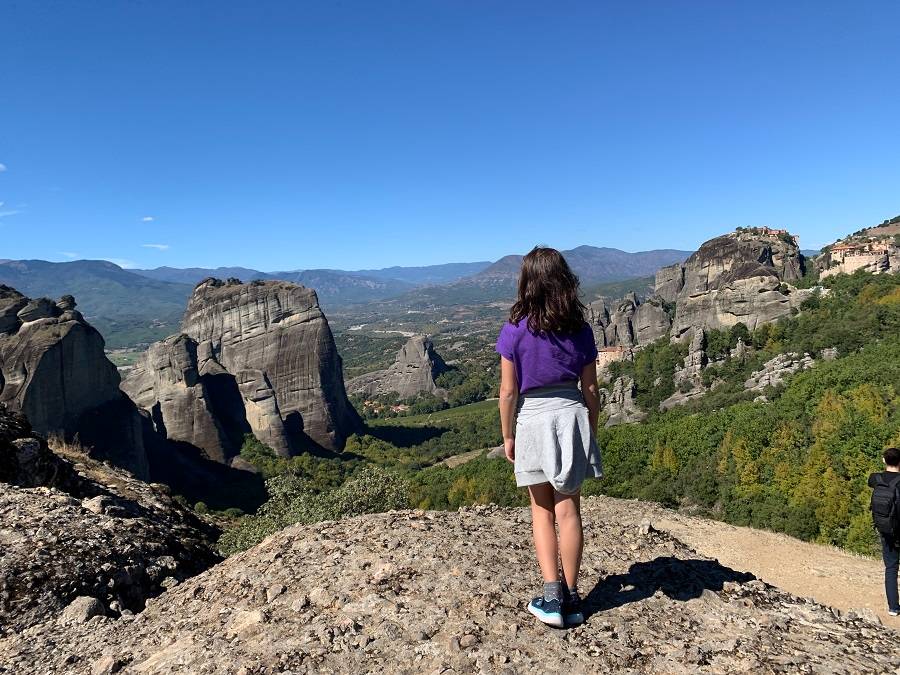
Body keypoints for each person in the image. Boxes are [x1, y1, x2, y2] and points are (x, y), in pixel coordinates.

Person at [495, 246, 603, 628]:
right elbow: (590, 388)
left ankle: (551, 597)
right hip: (571, 414)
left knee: (541, 510)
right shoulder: (581, 328)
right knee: (569, 510)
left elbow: (508, 392)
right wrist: (590, 422)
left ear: (527, 283)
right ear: (564, 282)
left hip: (533, 419)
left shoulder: (514, 329)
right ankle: (574, 600)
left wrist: (507, 435)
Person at [869, 447, 900, 617]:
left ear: (883, 460)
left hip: (886, 529)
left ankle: (893, 607)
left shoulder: (876, 478)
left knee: (891, 568)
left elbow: (870, 482)